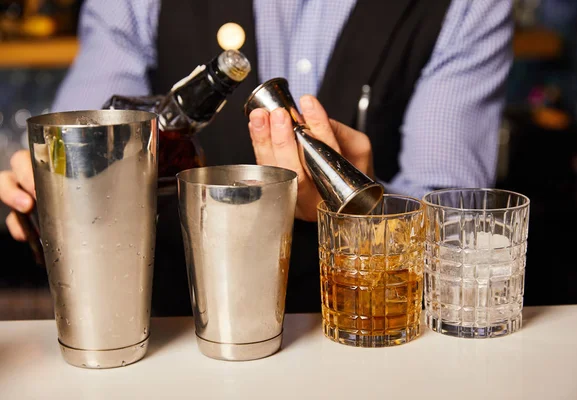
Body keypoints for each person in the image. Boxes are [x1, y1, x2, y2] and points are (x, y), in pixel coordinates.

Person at [0, 0, 514, 315]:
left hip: (362, 350)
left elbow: (458, 240)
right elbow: (86, 137)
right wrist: (56, 185)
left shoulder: (468, 5)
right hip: (169, 339)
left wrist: (367, 219)